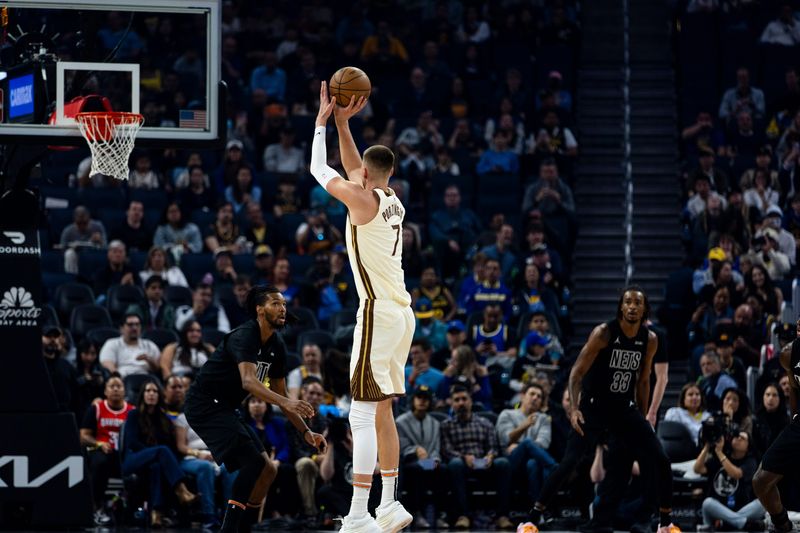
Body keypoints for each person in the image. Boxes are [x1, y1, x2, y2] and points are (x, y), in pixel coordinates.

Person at [310, 82, 416, 533]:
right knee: (384, 409)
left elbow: (320, 168)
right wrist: (342, 123)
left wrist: (319, 124)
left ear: (366, 179)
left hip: (377, 312)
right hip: (403, 315)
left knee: (360, 413)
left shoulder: (360, 200)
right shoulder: (392, 200)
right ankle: (388, 504)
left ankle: (357, 515)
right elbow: (355, 165)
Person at [527, 286, 679, 533]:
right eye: (627, 302)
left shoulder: (650, 339)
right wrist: (575, 408)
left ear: (644, 309)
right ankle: (531, 519)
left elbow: (642, 380)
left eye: (637, 303)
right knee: (569, 462)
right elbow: (576, 373)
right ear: (621, 306)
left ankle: (665, 524)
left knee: (660, 460)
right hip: (593, 407)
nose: (631, 306)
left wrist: (642, 417)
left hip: (624, 408)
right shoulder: (604, 332)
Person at [184, 285, 325, 533]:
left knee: (268, 469)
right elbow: (249, 382)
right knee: (253, 464)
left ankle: (247, 527)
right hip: (203, 404)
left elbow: (281, 395)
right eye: (274, 303)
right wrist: (287, 402)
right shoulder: (244, 336)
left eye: (283, 303)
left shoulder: (277, 346)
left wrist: (306, 433)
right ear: (260, 310)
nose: (282, 308)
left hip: (226, 408)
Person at [120, 380, 198, 527]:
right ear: (142, 394)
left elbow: (171, 445)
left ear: (159, 396)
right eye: (148, 391)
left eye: (155, 391)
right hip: (133, 459)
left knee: (157, 466)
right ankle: (181, 491)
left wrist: (155, 456)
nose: (151, 394)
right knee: (161, 451)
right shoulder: (133, 415)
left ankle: (156, 514)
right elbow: (132, 443)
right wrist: (152, 453)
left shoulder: (163, 419)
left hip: (153, 462)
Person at [441, 384, 514, 529]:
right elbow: (446, 450)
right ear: (452, 403)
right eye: (457, 400)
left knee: (503, 463)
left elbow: (494, 447)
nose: (461, 402)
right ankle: (463, 516)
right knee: (454, 464)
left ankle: (502, 516)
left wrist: (491, 456)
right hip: (462, 465)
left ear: (470, 401)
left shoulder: (485, 423)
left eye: (464, 399)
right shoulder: (446, 425)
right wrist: (464, 457)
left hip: (484, 462)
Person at [753, 326, 800, 533]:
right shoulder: (789, 354)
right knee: (761, 481)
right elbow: (793, 390)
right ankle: (784, 526)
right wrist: (794, 418)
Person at [79, 374, 134, 526]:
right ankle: (97, 506)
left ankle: (134, 508)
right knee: (99, 462)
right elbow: (83, 436)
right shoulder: (96, 408)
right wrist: (99, 443)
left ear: (125, 391)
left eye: (119, 386)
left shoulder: (132, 411)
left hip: (124, 454)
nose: (116, 389)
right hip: (103, 452)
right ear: (105, 391)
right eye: (112, 386)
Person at [396, 386, 449, 530]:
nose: (422, 401)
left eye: (426, 398)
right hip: (410, 462)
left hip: (429, 461)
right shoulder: (401, 422)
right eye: (419, 397)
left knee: (443, 469)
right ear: (413, 400)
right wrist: (414, 450)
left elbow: (437, 447)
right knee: (416, 469)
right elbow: (401, 448)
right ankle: (416, 513)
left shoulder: (435, 423)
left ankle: (439, 515)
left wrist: (436, 459)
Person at [692, 430, 765, 531]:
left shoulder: (750, 461)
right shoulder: (719, 457)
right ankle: (739, 522)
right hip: (717, 509)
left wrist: (719, 452)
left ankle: (726, 523)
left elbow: (736, 474)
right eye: (736, 436)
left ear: (748, 446)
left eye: (742, 438)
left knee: (762, 503)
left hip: (740, 508)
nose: (738, 438)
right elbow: (697, 469)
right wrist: (707, 447)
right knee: (707, 503)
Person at [497, 383, 557, 504]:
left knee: (533, 463)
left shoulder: (544, 418)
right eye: (532, 394)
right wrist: (524, 426)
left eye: (539, 396)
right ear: (522, 396)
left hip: (534, 460)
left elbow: (544, 443)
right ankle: (554, 467)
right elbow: (505, 439)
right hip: (511, 461)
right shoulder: (507, 414)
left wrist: (520, 445)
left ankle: (537, 511)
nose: (535, 398)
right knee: (528, 442)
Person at [290, 377, 330, 522]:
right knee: (305, 463)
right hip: (302, 460)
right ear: (303, 393)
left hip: (323, 461)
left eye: (319, 395)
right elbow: (295, 449)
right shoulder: (293, 418)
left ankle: (333, 513)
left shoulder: (325, 421)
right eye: (312, 393)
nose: (315, 397)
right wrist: (315, 458)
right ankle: (310, 513)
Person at [99, 313, 161, 379]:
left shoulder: (149, 345)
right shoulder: (112, 344)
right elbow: (107, 363)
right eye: (130, 325)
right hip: (122, 378)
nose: (134, 328)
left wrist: (149, 360)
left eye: (137, 325)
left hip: (146, 381)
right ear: (121, 328)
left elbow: (158, 369)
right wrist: (116, 377)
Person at [752, 383, 789, 458]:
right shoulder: (755, 419)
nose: (770, 398)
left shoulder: (786, 421)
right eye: (767, 394)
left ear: (780, 398)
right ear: (763, 397)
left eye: (774, 395)